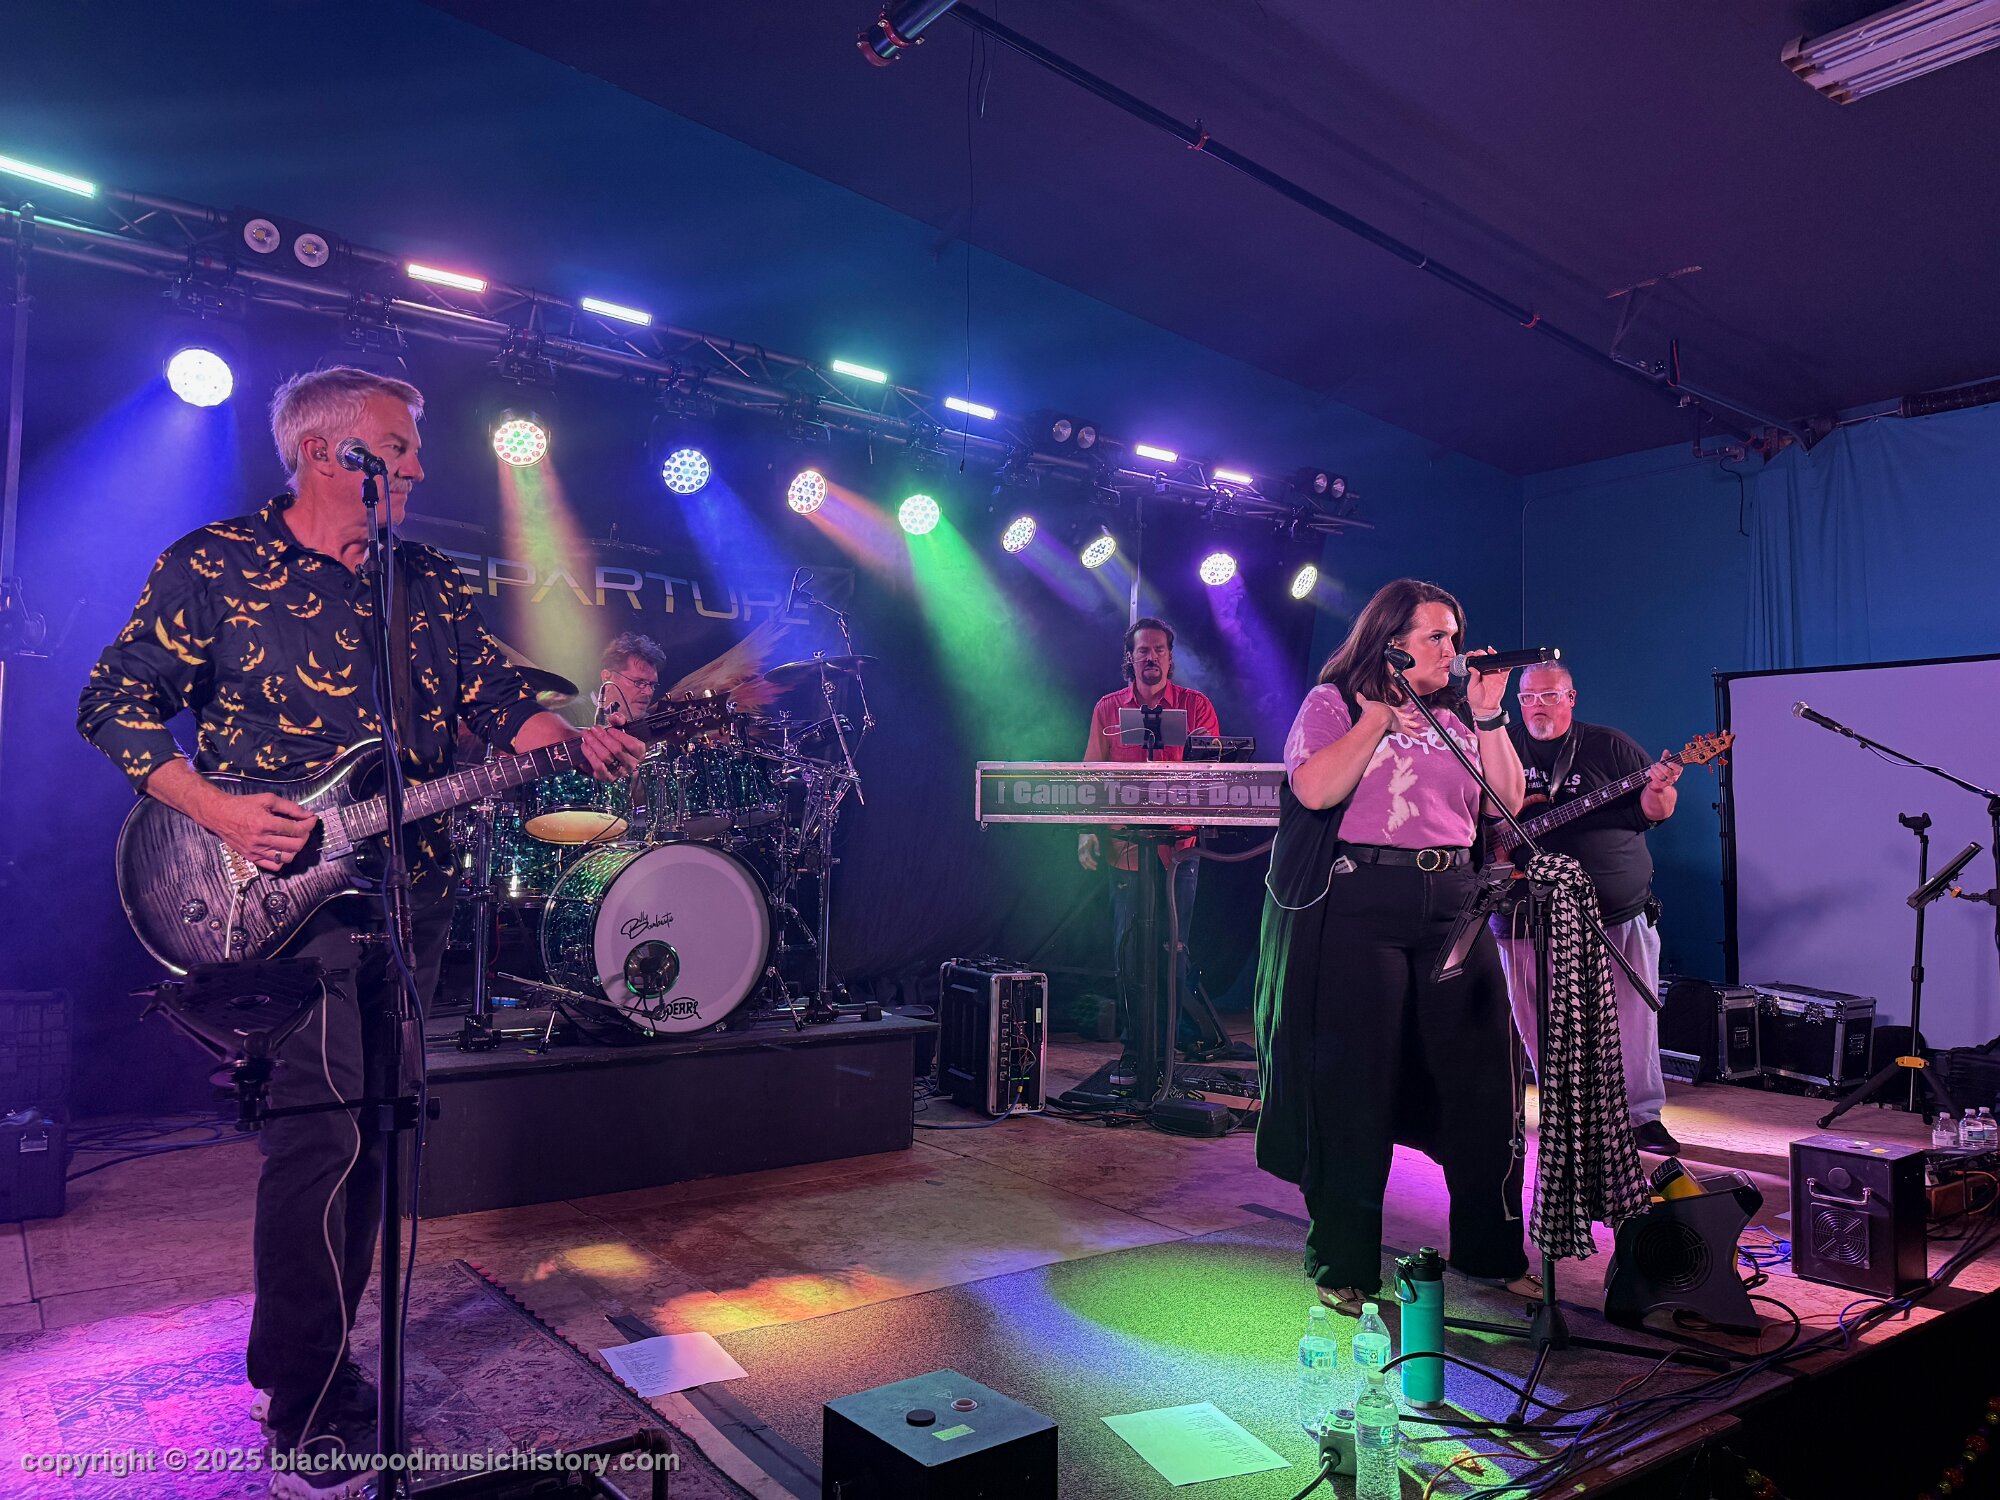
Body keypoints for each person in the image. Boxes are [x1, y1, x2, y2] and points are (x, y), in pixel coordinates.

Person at [76, 367, 643, 1497]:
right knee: (321, 1140)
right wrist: (220, 810)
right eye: (399, 445)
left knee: (379, 1131)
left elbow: (492, 699)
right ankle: (307, 1403)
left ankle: (311, 1358)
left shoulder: (420, 579)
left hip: (402, 891)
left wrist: (566, 738)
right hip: (272, 896)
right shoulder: (216, 564)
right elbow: (113, 702)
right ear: (327, 453)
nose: (421, 466)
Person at [1253, 578, 1535, 1315]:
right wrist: (1377, 718)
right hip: (1361, 904)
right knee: (1354, 1086)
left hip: (1455, 903)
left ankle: (1491, 1251)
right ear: (1392, 644)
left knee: (1484, 1083)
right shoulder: (1335, 703)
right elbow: (1316, 791)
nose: (1453, 650)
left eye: (1454, 635)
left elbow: (1504, 804)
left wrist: (1490, 716)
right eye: (1437, 636)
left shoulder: (1458, 715)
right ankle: (1344, 1262)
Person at [1492, 662, 1684, 1155]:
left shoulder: (1610, 746)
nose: (1538, 706)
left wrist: (1659, 789)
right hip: (1524, 914)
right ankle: (1565, 1114)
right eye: (1528, 697)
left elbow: (1654, 811)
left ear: (1571, 697)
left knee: (1633, 1017)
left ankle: (1640, 1117)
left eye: (1549, 696)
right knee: (1538, 1019)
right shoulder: (1499, 746)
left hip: (1614, 912)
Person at [1078, 618, 1220, 1088]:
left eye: (1159, 649)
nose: (1151, 657)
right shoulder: (1108, 708)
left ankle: (1165, 1051)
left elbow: (1211, 769)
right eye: (1143, 650)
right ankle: (1135, 1049)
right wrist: (1088, 831)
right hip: (1125, 848)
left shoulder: (1195, 706)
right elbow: (1092, 773)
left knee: (1172, 951)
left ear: (1170, 657)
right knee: (1129, 950)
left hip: (1178, 849)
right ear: (1131, 657)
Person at [597, 631, 667, 724]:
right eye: (639, 682)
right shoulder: (580, 715)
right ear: (607, 677)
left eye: (652, 685)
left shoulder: (654, 726)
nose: (649, 692)